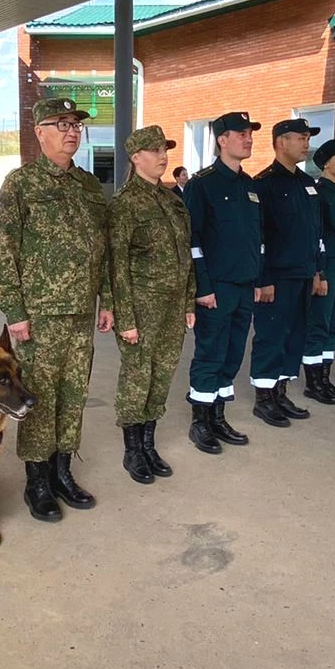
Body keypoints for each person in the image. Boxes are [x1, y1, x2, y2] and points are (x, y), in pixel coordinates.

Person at [0, 96, 114, 521]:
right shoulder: (20, 184)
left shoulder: (88, 186)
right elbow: (3, 252)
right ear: (39, 132)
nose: (70, 131)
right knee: (38, 397)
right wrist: (14, 310)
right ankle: (37, 482)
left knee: (73, 395)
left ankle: (63, 471)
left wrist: (107, 301)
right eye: (60, 124)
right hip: (39, 316)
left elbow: (103, 249)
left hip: (81, 312)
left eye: (75, 124)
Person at [108, 125, 195, 484]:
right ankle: (132, 450)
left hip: (173, 308)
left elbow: (186, 256)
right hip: (141, 309)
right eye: (154, 150)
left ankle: (149, 442)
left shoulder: (173, 200)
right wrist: (125, 318)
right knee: (137, 378)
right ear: (135, 157)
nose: (163, 156)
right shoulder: (124, 203)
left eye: (165, 149)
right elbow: (115, 265)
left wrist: (189, 301)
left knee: (162, 375)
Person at [182, 111, 263, 454]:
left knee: (232, 355)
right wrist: (203, 287)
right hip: (217, 288)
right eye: (241, 133)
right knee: (210, 354)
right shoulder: (202, 184)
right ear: (222, 140)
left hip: (244, 286)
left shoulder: (249, 186)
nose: (248, 139)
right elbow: (192, 241)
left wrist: (258, 278)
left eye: (250, 134)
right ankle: (200, 422)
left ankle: (218, 416)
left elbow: (256, 239)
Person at [249, 119, 324, 427]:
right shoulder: (264, 184)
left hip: (303, 274)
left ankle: (280, 391)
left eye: (308, 138)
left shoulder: (306, 183)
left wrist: (317, 271)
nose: (306, 143)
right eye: (301, 138)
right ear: (281, 142)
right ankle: (264, 397)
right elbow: (259, 237)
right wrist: (263, 279)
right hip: (276, 277)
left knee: (295, 334)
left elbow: (315, 232)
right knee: (272, 335)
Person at [302, 138, 335, 405]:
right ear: (325, 163)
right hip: (329, 268)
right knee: (319, 325)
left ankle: (325, 378)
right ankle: (313, 383)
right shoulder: (319, 192)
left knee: (334, 325)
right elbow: (316, 235)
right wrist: (319, 272)